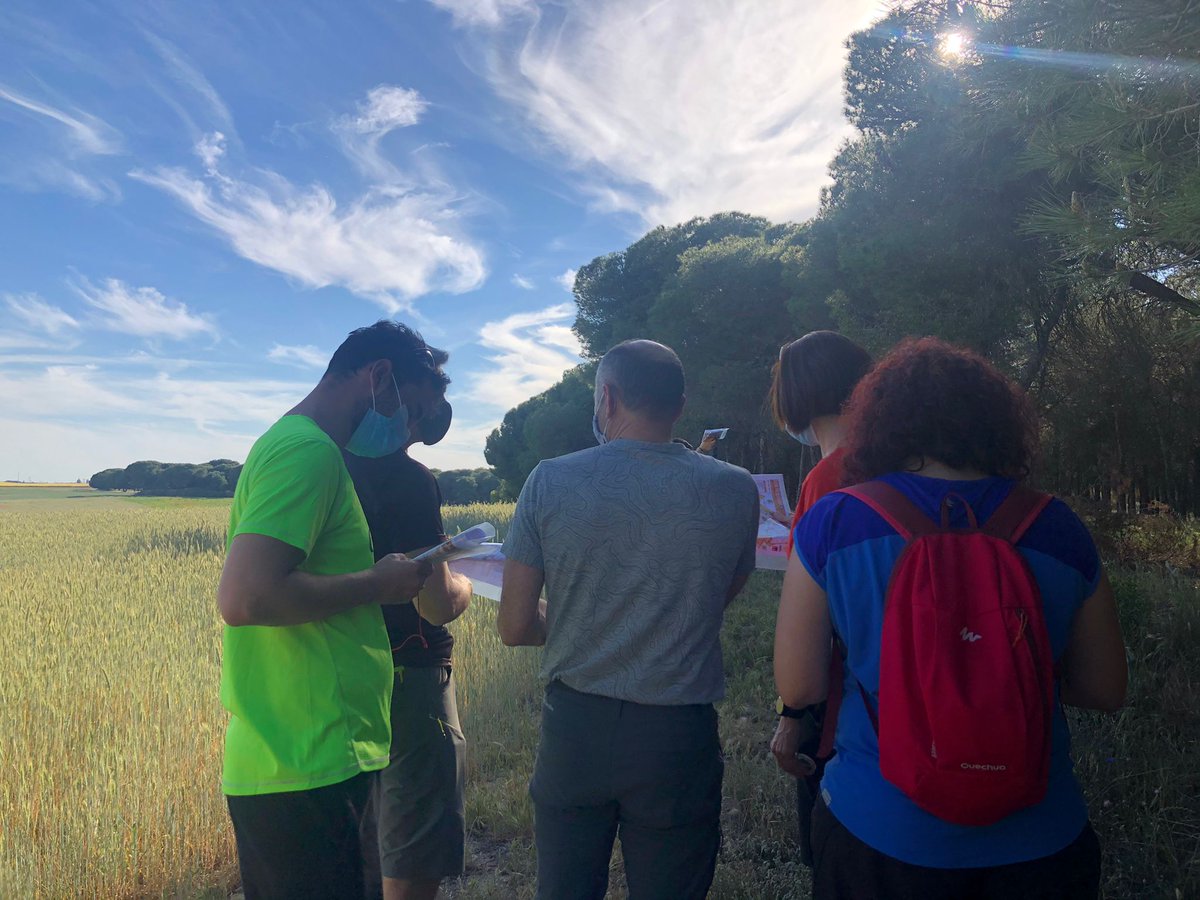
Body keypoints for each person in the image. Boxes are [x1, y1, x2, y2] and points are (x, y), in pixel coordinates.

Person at [775, 337, 1127, 899]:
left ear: (878, 422)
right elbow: (1105, 689)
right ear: (996, 423)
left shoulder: (836, 519)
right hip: (1039, 839)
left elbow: (802, 683)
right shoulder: (1058, 525)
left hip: (880, 831)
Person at [497, 339, 761, 900]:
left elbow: (515, 626)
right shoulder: (734, 489)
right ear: (680, 406)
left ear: (607, 398)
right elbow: (714, 598)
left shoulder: (549, 480)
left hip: (576, 730)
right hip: (677, 735)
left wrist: (575, 623)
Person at [216, 321, 450, 900]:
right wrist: (377, 582)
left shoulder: (295, 446)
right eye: (409, 408)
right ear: (378, 377)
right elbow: (247, 597)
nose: (406, 431)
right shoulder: (308, 453)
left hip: (303, 754)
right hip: (306, 761)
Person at [344, 394, 473, 900]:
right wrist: (462, 581)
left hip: (336, 668)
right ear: (414, 422)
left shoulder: (317, 466)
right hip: (410, 674)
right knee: (410, 842)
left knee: (359, 836)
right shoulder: (412, 480)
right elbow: (436, 605)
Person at [765, 331, 872, 866]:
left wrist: (793, 717)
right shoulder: (901, 462)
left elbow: (813, 628)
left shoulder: (828, 477)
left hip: (847, 711)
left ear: (795, 399)